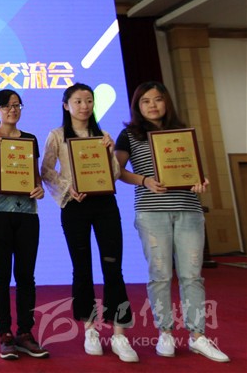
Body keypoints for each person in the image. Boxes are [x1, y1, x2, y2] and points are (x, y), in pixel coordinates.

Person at [115, 81, 229, 363]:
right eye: (145, 101)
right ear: (137, 106)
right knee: (160, 274)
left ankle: (198, 336)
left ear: (166, 102)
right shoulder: (129, 134)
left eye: (157, 99)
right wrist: (144, 180)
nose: (152, 105)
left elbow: (193, 169)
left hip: (188, 209)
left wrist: (201, 181)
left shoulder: (182, 132)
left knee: (192, 275)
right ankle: (165, 332)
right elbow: (117, 171)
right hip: (152, 212)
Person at [40, 83, 138, 362]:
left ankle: (119, 334)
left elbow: (115, 174)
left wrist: (110, 151)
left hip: (105, 204)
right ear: (66, 105)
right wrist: (67, 188)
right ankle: (90, 330)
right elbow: (46, 170)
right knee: (82, 268)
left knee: (113, 267)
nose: (84, 106)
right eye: (78, 101)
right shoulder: (57, 135)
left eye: (89, 101)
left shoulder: (103, 136)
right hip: (75, 206)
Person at [0, 89, 48, 360]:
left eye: (17, 105)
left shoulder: (30, 139)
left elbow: (34, 175)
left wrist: (39, 188)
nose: (12, 110)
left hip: (28, 213)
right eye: (6, 106)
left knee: (26, 275)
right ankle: (4, 333)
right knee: (1, 275)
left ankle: (26, 332)